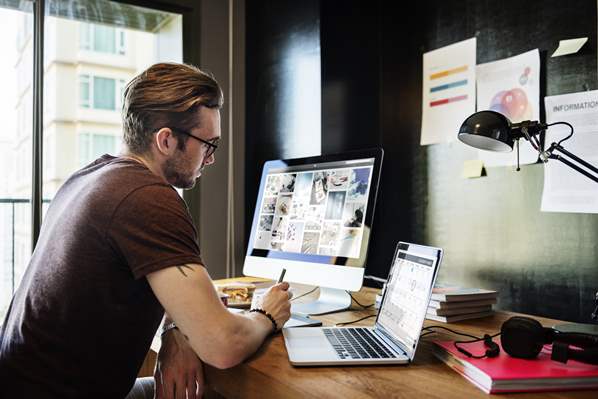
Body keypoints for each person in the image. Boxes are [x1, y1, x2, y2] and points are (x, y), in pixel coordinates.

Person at [0, 63, 292, 398]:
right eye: (207, 144)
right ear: (166, 140)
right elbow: (222, 345)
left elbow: (160, 283)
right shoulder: (148, 198)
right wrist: (266, 314)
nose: (210, 159)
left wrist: (175, 328)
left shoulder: (92, 176)